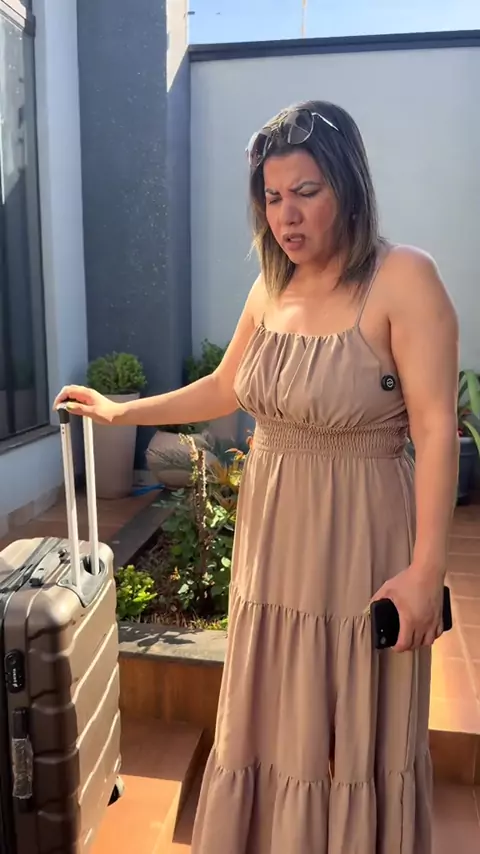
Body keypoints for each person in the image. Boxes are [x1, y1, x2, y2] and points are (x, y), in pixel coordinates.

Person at [54, 100, 459, 853]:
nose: (286, 216)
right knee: (276, 718)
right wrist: (119, 411)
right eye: (272, 197)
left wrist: (426, 570)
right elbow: (223, 388)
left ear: (349, 187)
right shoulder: (271, 287)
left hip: (361, 539)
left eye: (306, 191)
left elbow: (437, 430)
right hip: (273, 548)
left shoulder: (404, 277)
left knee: (349, 726)